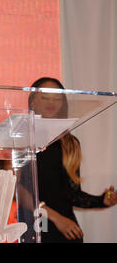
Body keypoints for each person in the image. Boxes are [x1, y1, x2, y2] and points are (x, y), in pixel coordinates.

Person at [29, 77, 117, 243]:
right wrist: (54, 217)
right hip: (37, 226)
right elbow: (17, 191)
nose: (51, 102)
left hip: (67, 230)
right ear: (33, 101)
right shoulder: (21, 139)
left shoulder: (70, 143)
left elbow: (72, 195)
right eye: (45, 97)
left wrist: (101, 200)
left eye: (57, 98)